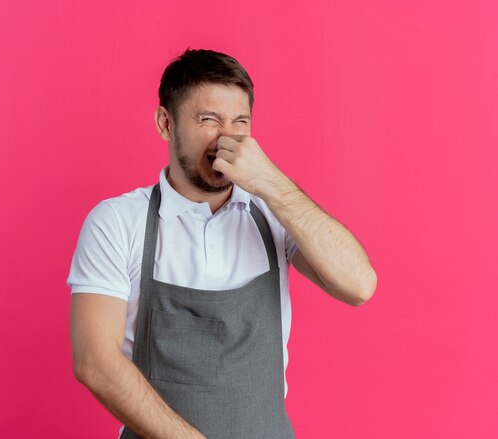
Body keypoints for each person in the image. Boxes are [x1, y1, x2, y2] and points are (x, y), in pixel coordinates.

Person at [67, 48, 377, 439]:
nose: (226, 138)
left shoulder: (274, 213)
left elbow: (359, 286)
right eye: (208, 119)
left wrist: (270, 183)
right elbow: (95, 362)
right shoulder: (116, 222)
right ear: (166, 123)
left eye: (240, 122)